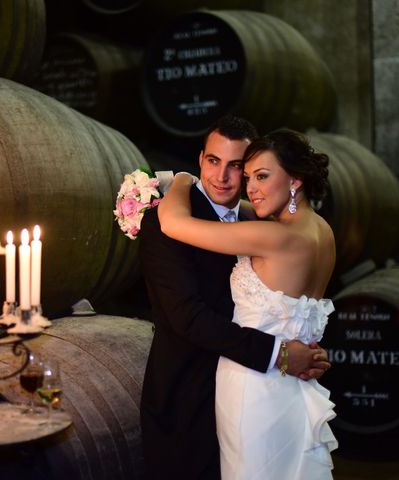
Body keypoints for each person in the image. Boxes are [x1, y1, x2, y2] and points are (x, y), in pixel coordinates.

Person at [138, 115, 331, 480]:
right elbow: (187, 317)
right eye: (213, 162)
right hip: (187, 401)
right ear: (200, 160)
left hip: (257, 394)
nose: (221, 176)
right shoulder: (161, 221)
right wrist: (288, 352)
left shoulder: (259, 224)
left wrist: (305, 350)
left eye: (238, 167)